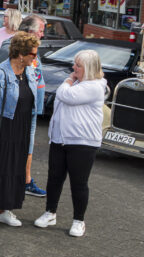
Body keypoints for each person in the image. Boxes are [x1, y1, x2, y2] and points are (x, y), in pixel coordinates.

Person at [34, 50, 106, 237]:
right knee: (54, 177)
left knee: (79, 183)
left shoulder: (94, 86)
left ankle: (79, 221)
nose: (74, 68)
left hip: (82, 142)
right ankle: (50, 212)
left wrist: (67, 81)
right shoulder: (77, 83)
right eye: (75, 64)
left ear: (89, 68)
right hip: (60, 139)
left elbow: (66, 95)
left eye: (78, 65)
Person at [0, 32, 40, 227]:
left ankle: (5, 209)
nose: (35, 58)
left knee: (16, 167)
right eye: (33, 54)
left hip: (22, 125)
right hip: (1, 126)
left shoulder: (29, 73)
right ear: (20, 54)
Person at [0, 15, 48, 197]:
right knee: (13, 146)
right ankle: (11, 182)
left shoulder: (33, 47)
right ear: (28, 31)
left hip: (31, 107)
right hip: (17, 109)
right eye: (40, 30)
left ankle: (25, 180)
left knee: (29, 144)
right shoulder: (9, 48)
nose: (42, 34)